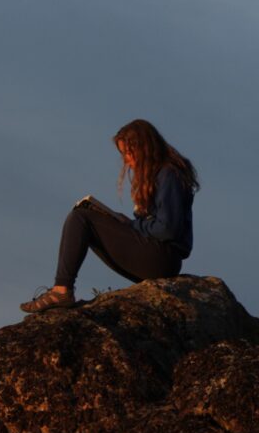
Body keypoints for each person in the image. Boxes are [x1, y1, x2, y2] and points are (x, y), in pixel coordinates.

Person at [20, 119, 198, 313]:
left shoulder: (168, 174)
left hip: (162, 259)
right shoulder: (159, 175)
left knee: (80, 218)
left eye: (128, 153)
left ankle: (62, 290)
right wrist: (125, 223)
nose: (126, 160)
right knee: (83, 222)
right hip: (158, 258)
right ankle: (61, 289)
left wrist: (131, 226)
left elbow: (167, 229)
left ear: (143, 148)